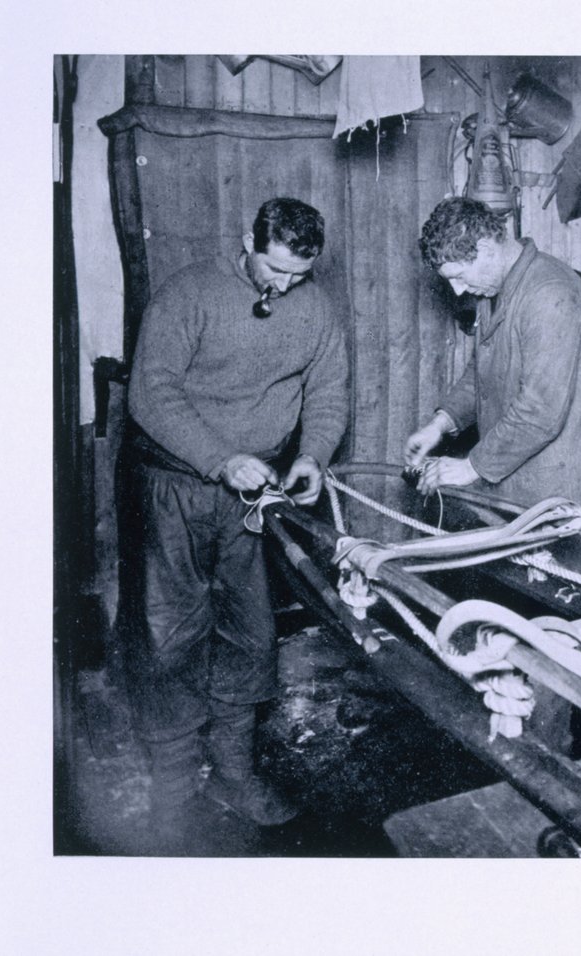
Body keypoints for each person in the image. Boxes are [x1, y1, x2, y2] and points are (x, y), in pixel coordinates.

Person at [125, 197, 349, 845]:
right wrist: (221, 459)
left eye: (298, 275)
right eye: (273, 269)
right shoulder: (189, 293)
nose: (284, 286)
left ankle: (233, 771)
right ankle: (172, 790)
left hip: (255, 497)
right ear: (245, 240)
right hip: (176, 484)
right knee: (171, 635)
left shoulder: (313, 307)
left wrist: (311, 456)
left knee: (250, 633)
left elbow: (328, 389)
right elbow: (152, 391)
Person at [405, 197, 581, 522]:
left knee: (554, 573)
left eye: (460, 276)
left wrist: (471, 466)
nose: (457, 291)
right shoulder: (495, 287)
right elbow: (482, 370)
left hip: (563, 486)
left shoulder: (550, 296)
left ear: (486, 248)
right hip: (520, 475)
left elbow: (540, 412)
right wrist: (439, 425)